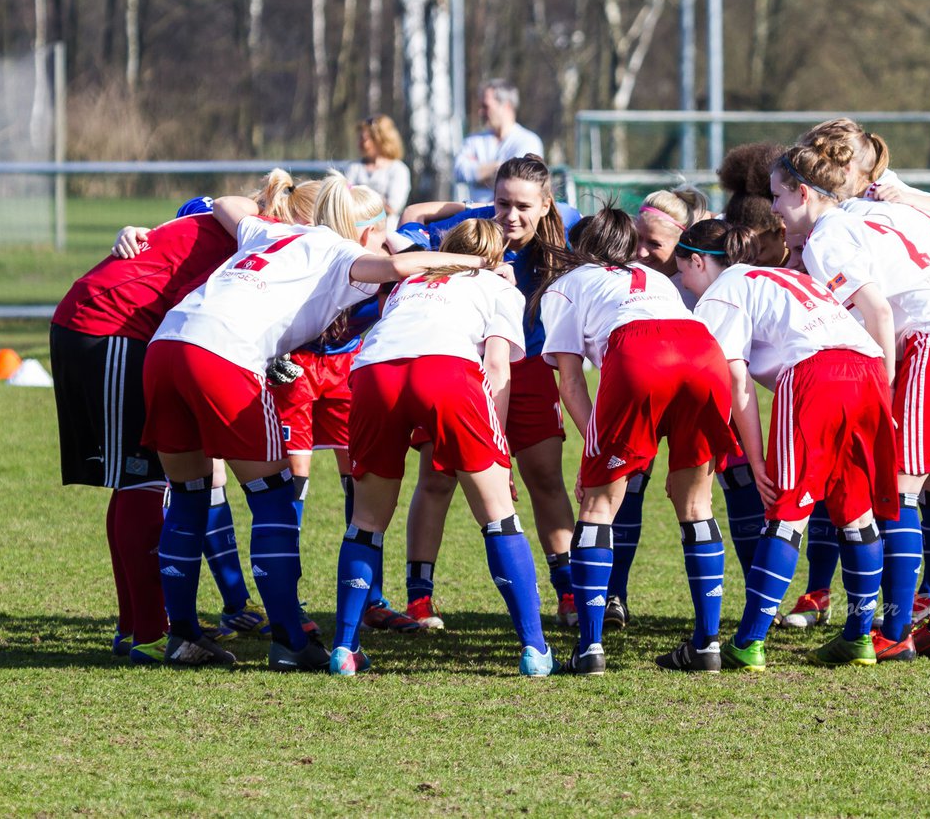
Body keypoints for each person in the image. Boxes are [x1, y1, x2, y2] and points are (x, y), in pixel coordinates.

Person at [140, 172, 491, 670]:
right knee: (274, 498)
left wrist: (270, 204)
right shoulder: (338, 250)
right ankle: (289, 639)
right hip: (225, 354)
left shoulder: (270, 231)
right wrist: (476, 262)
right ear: (360, 230)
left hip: (166, 346)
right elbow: (395, 265)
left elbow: (226, 201)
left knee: (190, 494)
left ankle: (183, 636)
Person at [49, 171, 312, 666]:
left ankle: (137, 628)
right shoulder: (255, 240)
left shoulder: (244, 229)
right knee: (143, 482)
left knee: (137, 482)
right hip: (113, 325)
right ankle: (152, 634)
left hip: (106, 325)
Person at [770, 140, 930, 661]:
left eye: (779, 198)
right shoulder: (865, 215)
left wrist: (882, 383)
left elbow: (878, 310)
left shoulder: (827, 236)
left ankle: (892, 632)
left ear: (804, 192)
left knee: (898, 486)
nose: (777, 212)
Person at [332, 218, 558, 677]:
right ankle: (534, 649)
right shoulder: (500, 287)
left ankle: (344, 648)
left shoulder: (412, 279)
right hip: (448, 371)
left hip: (374, 372)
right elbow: (496, 367)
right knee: (498, 516)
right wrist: (498, 453)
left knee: (366, 521)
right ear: (496, 258)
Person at [679, 218, 898, 669]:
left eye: (683, 270)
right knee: (856, 511)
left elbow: (735, 379)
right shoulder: (786, 276)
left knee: (786, 511)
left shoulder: (722, 290)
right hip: (869, 368)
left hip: (817, 375)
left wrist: (756, 460)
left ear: (697, 261)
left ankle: (749, 642)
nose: (684, 281)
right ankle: (858, 636)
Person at [540, 207, 738, 674]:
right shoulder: (656, 278)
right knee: (697, 506)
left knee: (599, 505)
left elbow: (570, 383)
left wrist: (595, 449)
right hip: (702, 349)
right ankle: (706, 644)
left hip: (638, 349)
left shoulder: (567, 283)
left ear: (577, 251)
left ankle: (589, 649)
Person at [395, 156, 579, 631]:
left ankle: (569, 593)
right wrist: (468, 206)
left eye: (522, 206)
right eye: (502, 203)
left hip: (531, 366)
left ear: (546, 204)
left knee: (543, 477)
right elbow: (412, 217)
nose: (510, 217)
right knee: (437, 478)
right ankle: (420, 599)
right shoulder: (474, 223)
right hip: (459, 367)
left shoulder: (572, 225)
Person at [453, 79, 545, 203]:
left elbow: (519, 178)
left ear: (506, 106)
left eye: (486, 107)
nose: (481, 112)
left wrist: (477, 173)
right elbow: (459, 170)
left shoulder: (529, 141)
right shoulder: (473, 140)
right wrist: (499, 169)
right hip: (476, 217)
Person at [344, 114, 411, 220]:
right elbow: (342, 199)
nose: (360, 143)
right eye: (360, 138)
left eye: (365, 138)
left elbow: (392, 207)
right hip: (354, 225)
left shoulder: (398, 170)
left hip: (385, 228)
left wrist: (357, 196)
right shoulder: (354, 167)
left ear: (381, 139)